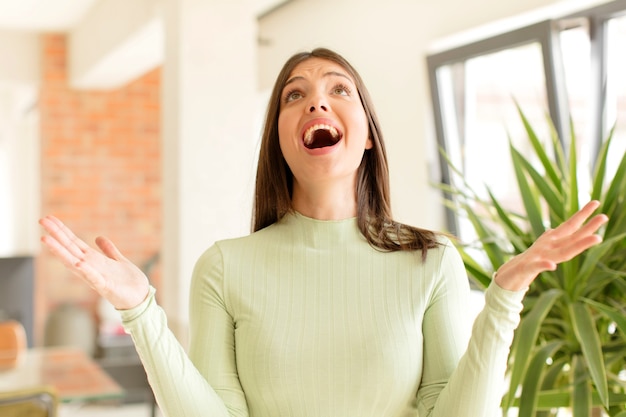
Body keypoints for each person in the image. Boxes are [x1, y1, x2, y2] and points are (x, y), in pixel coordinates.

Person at [39, 48, 608, 417]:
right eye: (295, 94)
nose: (316, 98)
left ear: (365, 136)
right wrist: (141, 310)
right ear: (282, 141)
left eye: (339, 89)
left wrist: (505, 296)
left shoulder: (432, 261)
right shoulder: (224, 268)